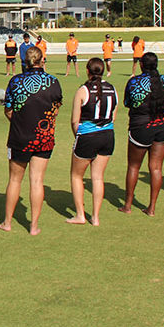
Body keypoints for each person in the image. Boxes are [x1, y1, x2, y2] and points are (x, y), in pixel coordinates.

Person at [0, 46, 63, 235]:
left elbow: (8, 110)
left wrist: (21, 122)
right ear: (42, 60)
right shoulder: (53, 81)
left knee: (15, 180)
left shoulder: (16, 81)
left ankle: (7, 222)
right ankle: (34, 226)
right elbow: (55, 110)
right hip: (44, 137)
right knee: (37, 181)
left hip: (20, 136)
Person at [119, 52, 164, 216]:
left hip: (141, 126)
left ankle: (127, 205)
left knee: (134, 166)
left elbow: (128, 103)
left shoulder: (134, 81)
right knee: (156, 168)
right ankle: (152, 207)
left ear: (142, 65)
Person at [67, 58, 117, 226]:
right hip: (108, 135)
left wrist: (79, 136)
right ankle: (95, 217)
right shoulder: (112, 88)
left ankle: (81, 215)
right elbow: (113, 117)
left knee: (76, 176)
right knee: (97, 177)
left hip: (88, 136)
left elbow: (75, 120)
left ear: (88, 70)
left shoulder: (83, 90)